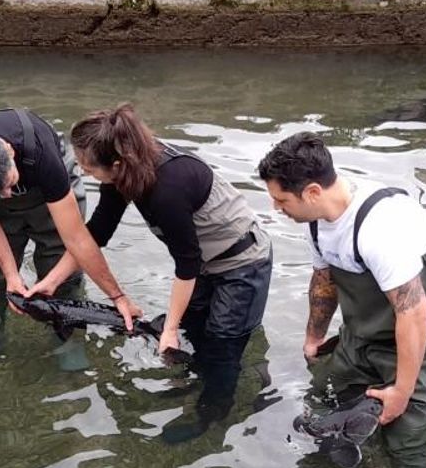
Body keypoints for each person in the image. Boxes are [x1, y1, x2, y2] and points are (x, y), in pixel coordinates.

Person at [257, 131, 426, 468]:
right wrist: (314, 336)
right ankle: (342, 447)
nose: (275, 208)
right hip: (369, 328)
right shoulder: (318, 220)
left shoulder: (380, 229)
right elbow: (324, 277)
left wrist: (402, 392)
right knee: (325, 390)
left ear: (313, 190)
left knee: (406, 425)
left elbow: (414, 313)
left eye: (281, 200)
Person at [36, 103, 273, 443]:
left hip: (242, 262)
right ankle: (208, 380)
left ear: (116, 162)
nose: (84, 173)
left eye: (88, 167)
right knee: (195, 332)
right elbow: (97, 233)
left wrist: (170, 329)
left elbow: (186, 262)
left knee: (221, 345)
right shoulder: (124, 171)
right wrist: (51, 283)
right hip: (205, 261)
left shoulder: (167, 188)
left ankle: (212, 415)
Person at [0, 106, 141, 377]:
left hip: (49, 196)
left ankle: (67, 341)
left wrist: (116, 296)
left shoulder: (41, 153)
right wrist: (11, 274)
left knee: (60, 266)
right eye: (1, 191)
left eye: (10, 184)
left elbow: (77, 239)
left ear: (10, 151)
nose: (9, 195)